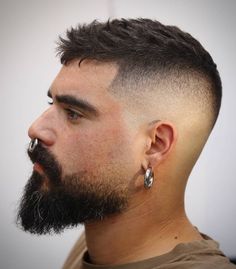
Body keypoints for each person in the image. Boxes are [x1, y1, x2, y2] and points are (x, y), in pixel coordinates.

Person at [17, 18, 236, 269]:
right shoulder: (98, 239)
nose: (35, 129)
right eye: (51, 104)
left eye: (73, 113)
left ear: (154, 145)